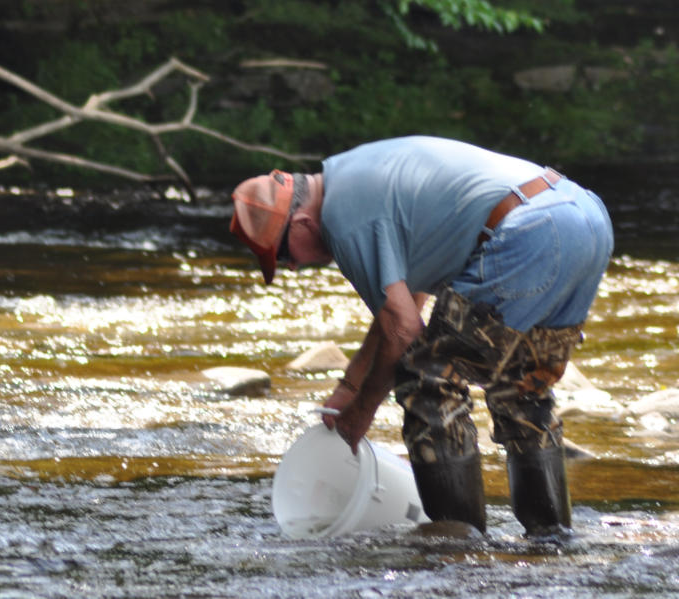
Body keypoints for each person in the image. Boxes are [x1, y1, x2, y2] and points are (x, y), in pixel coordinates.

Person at [229, 136, 613, 537]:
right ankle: (551, 541)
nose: (293, 267)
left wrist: (362, 412)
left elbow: (403, 330)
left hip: (527, 232)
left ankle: (457, 546)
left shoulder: (342, 218)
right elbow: (403, 307)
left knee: (426, 381)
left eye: (286, 255)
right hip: (583, 217)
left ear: (302, 223)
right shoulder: (353, 176)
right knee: (522, 390)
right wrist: (349, 386)